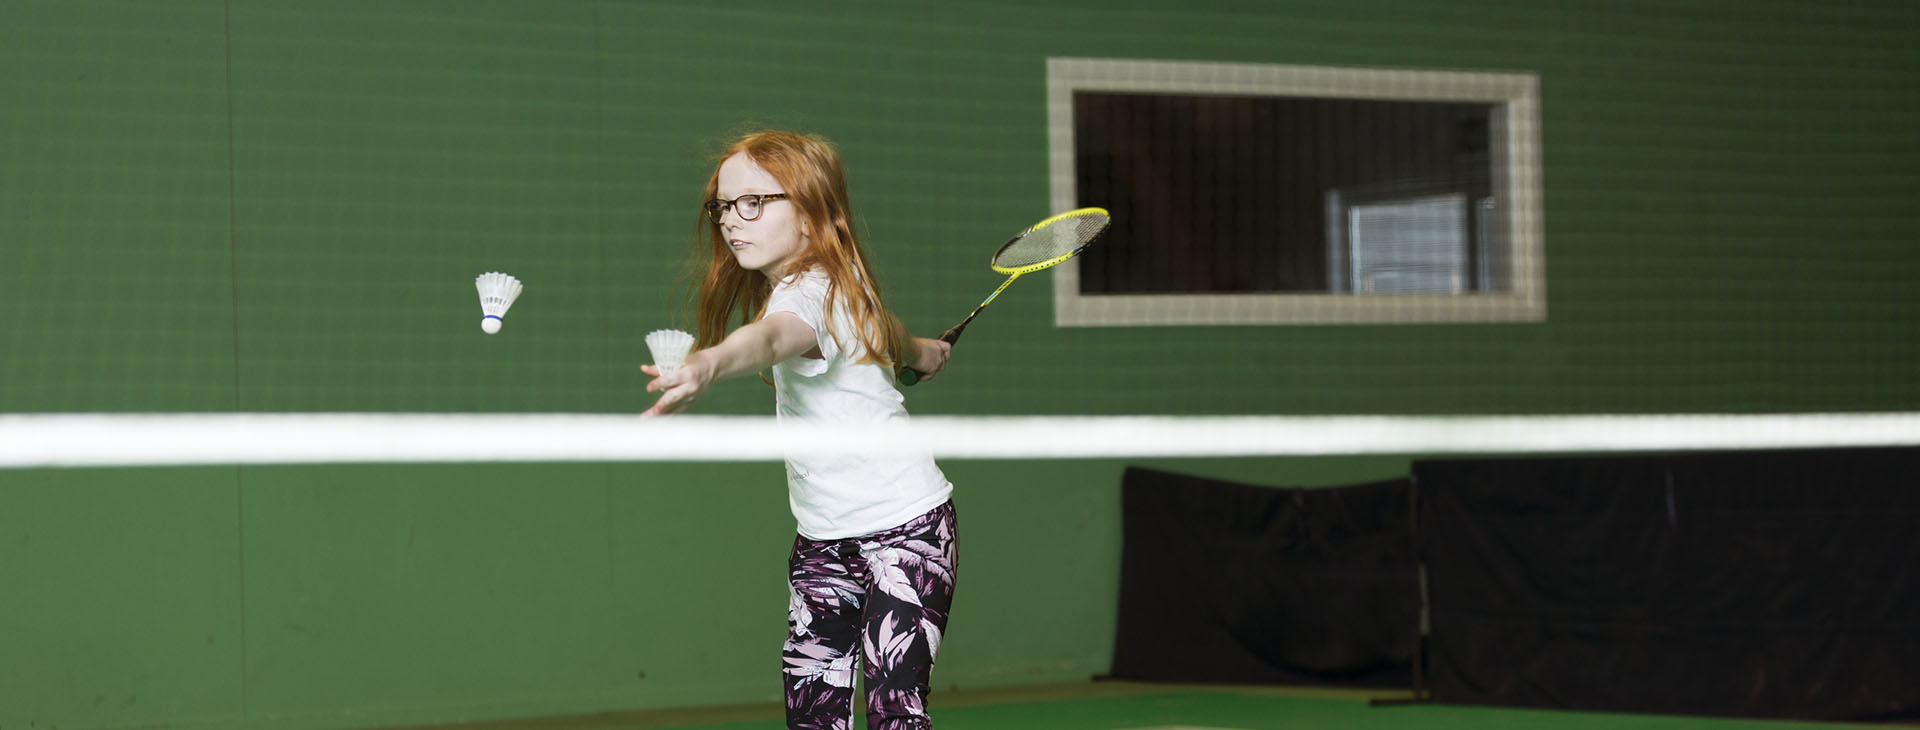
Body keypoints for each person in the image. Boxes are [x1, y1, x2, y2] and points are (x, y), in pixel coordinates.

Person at [641, 130, 957, 730]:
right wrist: (921, 352)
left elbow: (767, 339)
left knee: (895, 712)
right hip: (822, 541)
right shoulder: (839, 285)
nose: (734, 220)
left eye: (756, 202)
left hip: (907, 531)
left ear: (811, 215)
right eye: (725, 205)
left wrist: (707, 363)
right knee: (812, 716)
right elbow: (880, 328)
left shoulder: (811, 294)